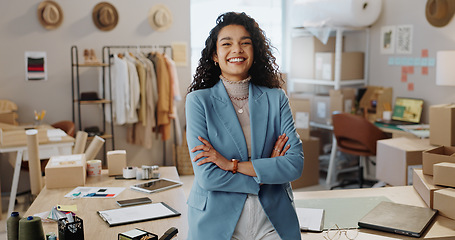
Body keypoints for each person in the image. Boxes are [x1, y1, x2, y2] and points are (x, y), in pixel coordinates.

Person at [185, 12, 304, 240]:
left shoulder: (276, 98)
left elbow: (294, 165)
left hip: (272, 218)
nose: (237, 49)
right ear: (215, 55)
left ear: (254, 52)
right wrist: (268, 167)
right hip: (216, 218)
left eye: (245, 43)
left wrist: (231, 165)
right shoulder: (199, 101)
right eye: (227, 43)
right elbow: (208, 177)